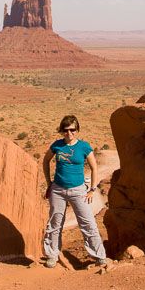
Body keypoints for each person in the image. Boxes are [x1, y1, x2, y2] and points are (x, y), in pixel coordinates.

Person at [41, 114, 109, 268]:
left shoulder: (84, 146)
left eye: (72, 130)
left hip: (78, 190)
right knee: (55, 223)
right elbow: (46, 161)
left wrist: (92, 189)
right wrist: (49, 183)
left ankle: (99, 256)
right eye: (65, 130)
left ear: (77, 130)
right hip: (58, 190)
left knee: (87, 223)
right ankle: (52, 255)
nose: (69, 133)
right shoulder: (57, 145)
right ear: (61, 131)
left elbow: (94, 167)